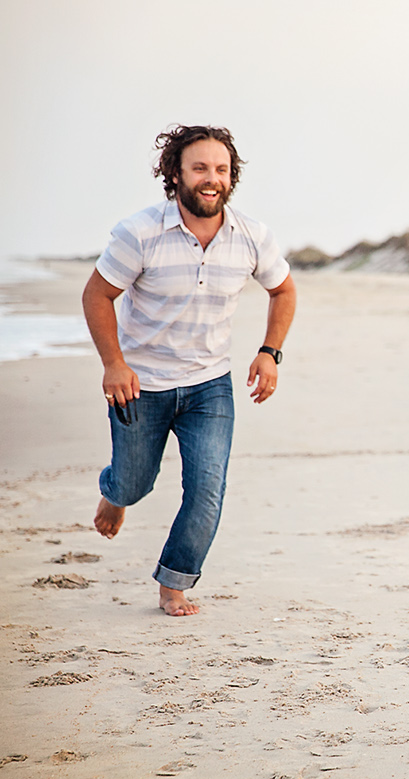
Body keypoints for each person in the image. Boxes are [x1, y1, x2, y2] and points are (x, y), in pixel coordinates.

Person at [81, 124, 296, 617]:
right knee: (135, 483)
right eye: (200, 168)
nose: (211, 178)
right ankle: (116, 492)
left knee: (207, 488)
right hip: (140, 385)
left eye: (221, 169)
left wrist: (270, 351)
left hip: (209, 388)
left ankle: (174, 581)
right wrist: (113, 363)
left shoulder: (251, 237)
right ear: (175, 172)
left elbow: (283, 289)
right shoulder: (139, 233)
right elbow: (98, 294)